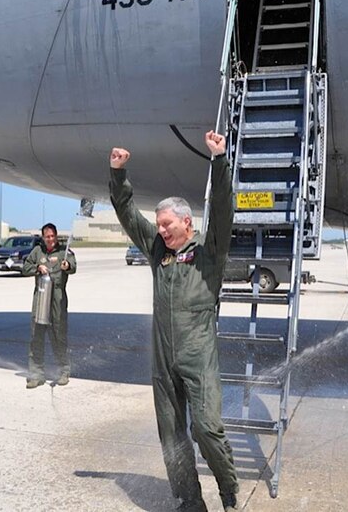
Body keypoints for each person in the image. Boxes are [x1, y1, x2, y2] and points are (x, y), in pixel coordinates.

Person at [109, 131, 239, 512]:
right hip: (163, 363)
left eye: (167, 224)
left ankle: (228, 489)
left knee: (206, 429)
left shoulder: (208, 253)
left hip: (198, 358)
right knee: (171, 435)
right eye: (159, 225)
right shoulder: (157, 252)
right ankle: (189, 499)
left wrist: (218, 161)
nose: (161, 230)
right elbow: (127, 214)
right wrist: (118, 174)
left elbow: (223, 209)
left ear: (186, 222)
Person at [21, 223, 77, 388]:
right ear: (43, 237)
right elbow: (25, 267)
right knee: (36, 336)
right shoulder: (37, 252)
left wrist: (67, 266)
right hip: (41, 297)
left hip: (58, 300)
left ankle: (63, 371)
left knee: (58, 336)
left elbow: (72, 266)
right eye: (47, 237)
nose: (50, 239)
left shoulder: (64, 253)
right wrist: (38, 267)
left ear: (56, 236)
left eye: (52, 236)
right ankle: (36, 374)